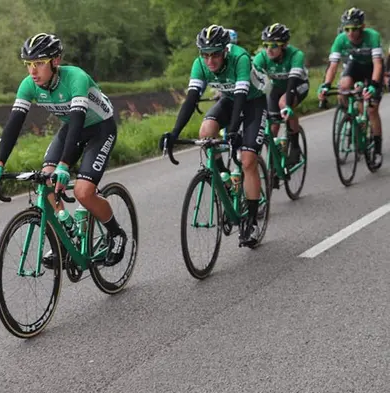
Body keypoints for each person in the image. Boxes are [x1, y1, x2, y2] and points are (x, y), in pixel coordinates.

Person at [0, 33, 127, 267]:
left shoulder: (76, 78)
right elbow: (13, 125)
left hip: (100, 129)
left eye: (39, 63)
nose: (32, 71)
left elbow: (78, 120)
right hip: (71, 129)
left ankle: (116, 233)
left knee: (83, 192)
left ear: (55, 61)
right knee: (45, 178)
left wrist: (64, 166)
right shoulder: (29, 85)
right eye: (28, 64)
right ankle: (64, 236)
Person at [160, 25, 269, 247]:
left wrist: (233, 131)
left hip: (253, 102)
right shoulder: (200, 64)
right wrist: (174, 133)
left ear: (225, 51)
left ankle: (251, 221)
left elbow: (242, 97)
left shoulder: (240, 58)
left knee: (248, 160)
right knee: (206, 131)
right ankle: (225, 181)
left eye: (215, 54)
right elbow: (191, 99)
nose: (210, 60)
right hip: (230, 99)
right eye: (205, 54)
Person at [318, 7, 384, 166]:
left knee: (372, 110)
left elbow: (377, 64)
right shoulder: (340, 39)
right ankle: (352, 117)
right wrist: (325, 86)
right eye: (346, 29)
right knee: (343, 88)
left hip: (372, 69)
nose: (350, 33)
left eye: (354, 29)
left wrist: (374, 85)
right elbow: (333, 66)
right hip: (354, 66)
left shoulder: (372, 36)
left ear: (362, 27)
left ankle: (377, 149)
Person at [253, 23, 309, 175]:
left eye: (274, 45)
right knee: (273, 125)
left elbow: (292, 83)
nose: (268, 49)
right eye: (266, 45)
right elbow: (252, 83)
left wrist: (287, 106)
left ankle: (295, 147)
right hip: (277, 88)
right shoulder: (261, 57)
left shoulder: (296, 55)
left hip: (297, 85)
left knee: (284, 104)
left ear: (284, 45)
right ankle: (274, 161)